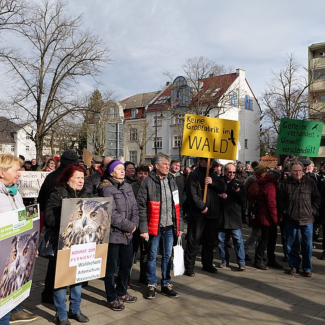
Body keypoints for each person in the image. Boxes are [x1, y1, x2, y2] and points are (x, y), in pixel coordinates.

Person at [45, 164, 91, 324]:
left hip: (81, 242)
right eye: (77, 177)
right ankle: (61, 314)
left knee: (78, 277)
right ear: (68, 178)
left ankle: (75, 310)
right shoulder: (57, 193)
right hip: (62, 242)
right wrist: (67, 215)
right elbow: (49, 219)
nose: (80, 180)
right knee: (63, 279)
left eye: (82, 177)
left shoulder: (87, 193)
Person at [137, 153, 184, 299]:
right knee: (151, 256)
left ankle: (165, 284)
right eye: (165, 164)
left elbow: (177, 205)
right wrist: (143, 229)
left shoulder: (171, 180)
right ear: (157, 166)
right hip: (154, 227)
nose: (168, 167)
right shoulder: (147, 182)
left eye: (169, 164)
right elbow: (141, 207)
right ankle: (151, 284)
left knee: (167, 256)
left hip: (170, 226)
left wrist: (180, 225)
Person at [0, 153, 38, 324]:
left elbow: (24, 222)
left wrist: (31, 246)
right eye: (16, 170)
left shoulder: (15, 193)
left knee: (7, 301)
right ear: (2, 172)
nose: (20, 173)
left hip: (15, 258)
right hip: (3, 257)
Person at [38, 149, 79, 303]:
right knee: (62, 263)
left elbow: (41, 199)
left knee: (54, 263)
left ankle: (49, 294)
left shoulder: (51, 176)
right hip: (64, 227)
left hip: (54, 226)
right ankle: (56, 296)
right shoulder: (65, 179)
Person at [98, 160, 139, 311]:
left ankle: (122, 292)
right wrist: (127, 226)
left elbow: (134, 207)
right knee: (111, 268)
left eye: (123, 169)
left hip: (128, 234)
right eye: (119, 169)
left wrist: (133, 225)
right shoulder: (107, 189)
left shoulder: (127, 186)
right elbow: (111, 213)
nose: (122, 171)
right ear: (111, 172)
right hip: (114, 234)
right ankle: (111, 297)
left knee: (127, 264)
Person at [278, 160, 321, 276]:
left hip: (307, 219)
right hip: (291, 219)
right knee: (291, 245)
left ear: (303, 170)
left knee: (307, 245)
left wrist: (312, 211)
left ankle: (307, 268)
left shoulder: (310, 182)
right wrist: (285, 211)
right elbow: (280, 200)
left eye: (300, 171)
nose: (298, 173)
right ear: (291, 171)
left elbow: (317, 198)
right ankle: (294, 266)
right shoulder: (285, 183)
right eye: (295, 171)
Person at [184, 157, 225, 276]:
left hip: (212, 214)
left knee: (210, 241)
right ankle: (189, 267)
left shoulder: (214, 174)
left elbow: (222, 188)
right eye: (202, 161)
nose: (205, 163)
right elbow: (192, 193)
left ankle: (207, 264)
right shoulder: (194, 174)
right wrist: (201, 206)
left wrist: (212, 182)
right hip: (198, 214)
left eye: (208, 161)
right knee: (194, 240)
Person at [217, 163, 246, 271]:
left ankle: (241, 262)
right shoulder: (219, 183)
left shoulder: (239, 184)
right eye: (230, 172)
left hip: (234, 216)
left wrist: (237, 192)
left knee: (238, 240)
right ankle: (224, 259)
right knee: (221, 240)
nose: (232, 174)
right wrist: (219, 196)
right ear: (225, 171)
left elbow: (243, 201)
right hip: (221, 216)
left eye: (234, 172)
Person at [254, 170, 283, 270]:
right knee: (265, 239)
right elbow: (272, 204)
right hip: (267, 218)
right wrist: (275, 219)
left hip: (266, 216)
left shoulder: (266, 183)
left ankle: (270, 259)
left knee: (270, 239)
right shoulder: (270, 186)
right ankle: (259, 260)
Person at [131, 165, 150, 284]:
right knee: (132, 251)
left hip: (147, 225)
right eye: (140, 173)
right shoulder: (132, 187)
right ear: (136, 174)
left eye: (145, 173)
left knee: (145, 251)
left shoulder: (150, 186)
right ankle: (127, 278)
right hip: (134, 224)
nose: (143, 176)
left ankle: (144, 276)